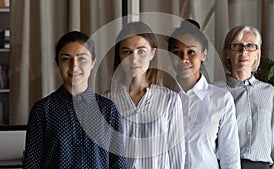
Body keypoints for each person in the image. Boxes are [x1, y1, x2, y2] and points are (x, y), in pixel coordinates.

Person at [23, 31, 127, 168]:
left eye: (82, 58)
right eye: (66, 58)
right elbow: (32, 164)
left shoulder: (107, 109)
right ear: (57, 63)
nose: (74, 65)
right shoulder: (43, 110)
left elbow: (118, 163)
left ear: (93, 62)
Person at [103, 21, 185, 169]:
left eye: (141, 51)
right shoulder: (107, 100)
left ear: (152, 53)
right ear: (119, 55)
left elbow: (177, 156)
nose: (133, 59)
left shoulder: (170, 100)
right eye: (126, 51)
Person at [167, 19, 240, 169]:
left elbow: (230, 157)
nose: (184, 58)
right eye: (176, 52)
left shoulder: (221, 99)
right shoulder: (161, 98)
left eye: (191, 52)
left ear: (204, 54)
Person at [219, 25, 274, 169]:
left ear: (258, 53)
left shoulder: (269, 93)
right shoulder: (215, 92)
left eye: (250, 46)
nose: (244, 51)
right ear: (227, 52)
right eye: (237, 46)